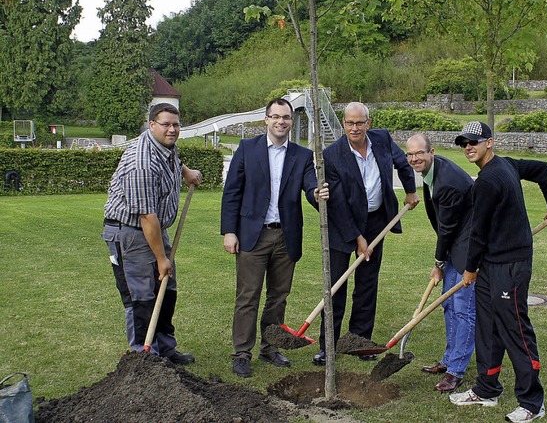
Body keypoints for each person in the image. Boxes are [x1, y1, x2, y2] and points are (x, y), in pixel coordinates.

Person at [448, 121, 547, 423]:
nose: (468, 148)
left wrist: (469, 269)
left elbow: (479, 232)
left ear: (490, 143)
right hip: (492, 262)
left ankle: (532, 402)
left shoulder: (489, 179)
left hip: (510, 264)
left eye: (474, 142)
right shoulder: (504, 165)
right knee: (487, 326)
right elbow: (542, 170)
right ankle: (486, 388)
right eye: (464, 143)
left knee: (514, 329)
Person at [221, 98, 329, 378]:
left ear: (292, 122)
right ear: (266, 120)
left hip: (285, 236)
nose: (281, 121)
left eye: (286, 117)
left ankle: (270, 348)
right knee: (248, 297)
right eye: (276, 116)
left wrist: (316, 193)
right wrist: (229, 231)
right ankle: (241, 353)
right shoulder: (247, 149)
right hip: (251, 236)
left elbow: (310, 185)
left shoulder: (302, 155)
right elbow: (232, 192)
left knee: (278, 297)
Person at [313, 102, 419, 366]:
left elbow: (403, 165)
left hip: (376, 221)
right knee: (336, 285)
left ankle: (359, 341)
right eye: (350, 123)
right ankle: (329, 345)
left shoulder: (381, 139)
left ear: (368, 124)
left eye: (360, 123)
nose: (355, 128)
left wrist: (410, 191)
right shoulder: (333, 154)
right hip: (343, 223)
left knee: (367, 283)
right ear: (343, 124)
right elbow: (335, 202)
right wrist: (357, 238)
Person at [102, 102, 202, 365]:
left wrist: (186, 172)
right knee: (143, 296)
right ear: (151, 125)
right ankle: (144, 360)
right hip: (131, 232)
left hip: (153, 228)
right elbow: (147, 216)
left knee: (166, 289)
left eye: (176, 124)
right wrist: (161, 258)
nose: (172, 129)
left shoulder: (165, 145)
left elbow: (171, 160)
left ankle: (166, 349)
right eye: (165, 124)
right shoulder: (141, 163)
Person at [405, 133, 476, 393]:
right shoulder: (433, 171)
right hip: (455, 244)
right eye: (410, 154)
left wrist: (438, 262)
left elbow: (446, 228)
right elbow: (444, 226)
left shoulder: (448, 182)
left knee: (463, 308)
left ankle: (456, 371)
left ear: (431, 151)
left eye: (419, 153)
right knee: (448, 304)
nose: (415, 159)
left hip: (468, 249)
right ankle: (449, 360)